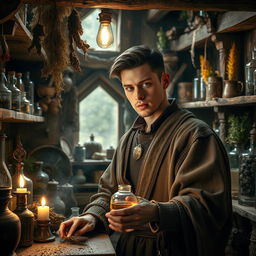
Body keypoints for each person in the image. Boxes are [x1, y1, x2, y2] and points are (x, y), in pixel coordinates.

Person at [59, 45, 232, 256]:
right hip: (126, 249)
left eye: (146, 84)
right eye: (129, 88)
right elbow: (109, 192)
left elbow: (209, 208)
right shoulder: (128, 139)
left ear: (165, 81)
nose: (138, 96)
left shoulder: (196, 136)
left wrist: (157, 213)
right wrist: (92, 217)